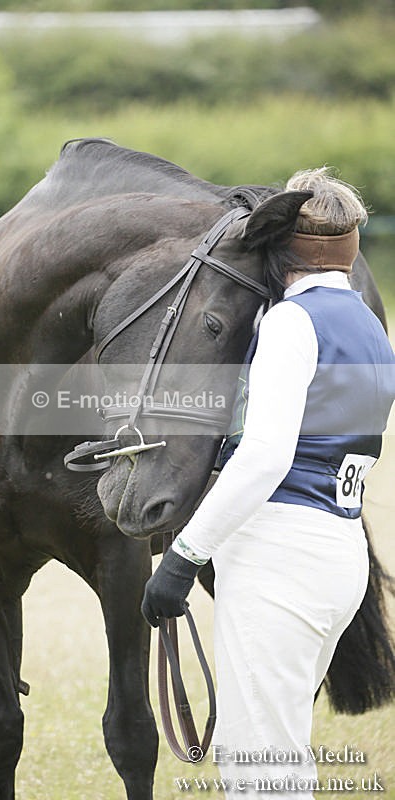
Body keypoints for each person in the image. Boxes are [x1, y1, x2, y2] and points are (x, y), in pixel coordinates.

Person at [141, 168, 395, 798]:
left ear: (280, 248)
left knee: (260, 765)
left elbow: (265, 456)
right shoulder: (367, 323)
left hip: (281, 558)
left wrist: (182, 559)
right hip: (338, 553)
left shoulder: (290, 323)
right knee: (271, 749)